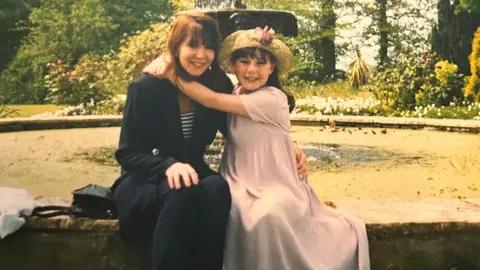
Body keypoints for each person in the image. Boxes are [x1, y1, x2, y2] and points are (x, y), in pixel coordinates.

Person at [157, 26, 371, 269]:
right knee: (227, 206)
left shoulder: (272, 98)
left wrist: (170, 72)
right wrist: (168, 56)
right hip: (239, 178)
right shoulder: (234, 90)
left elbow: (210, 99)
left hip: (275, 180)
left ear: (272, 68)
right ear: (233, 65)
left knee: (267, 214)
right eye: (244, 62)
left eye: (260, 63)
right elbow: (201, 71)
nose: (251, 70)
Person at [111, 14, 308, 270]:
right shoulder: (146, 87)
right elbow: (128, 153)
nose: (201, 55)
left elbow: (239, 128)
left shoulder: (216, 84)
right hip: (145, 179)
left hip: (192, 172)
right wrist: (167, 166)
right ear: (176, 46)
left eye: (209, 47)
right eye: (193, 45)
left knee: (216, 188)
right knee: (184, 191)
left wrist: (287, 145)